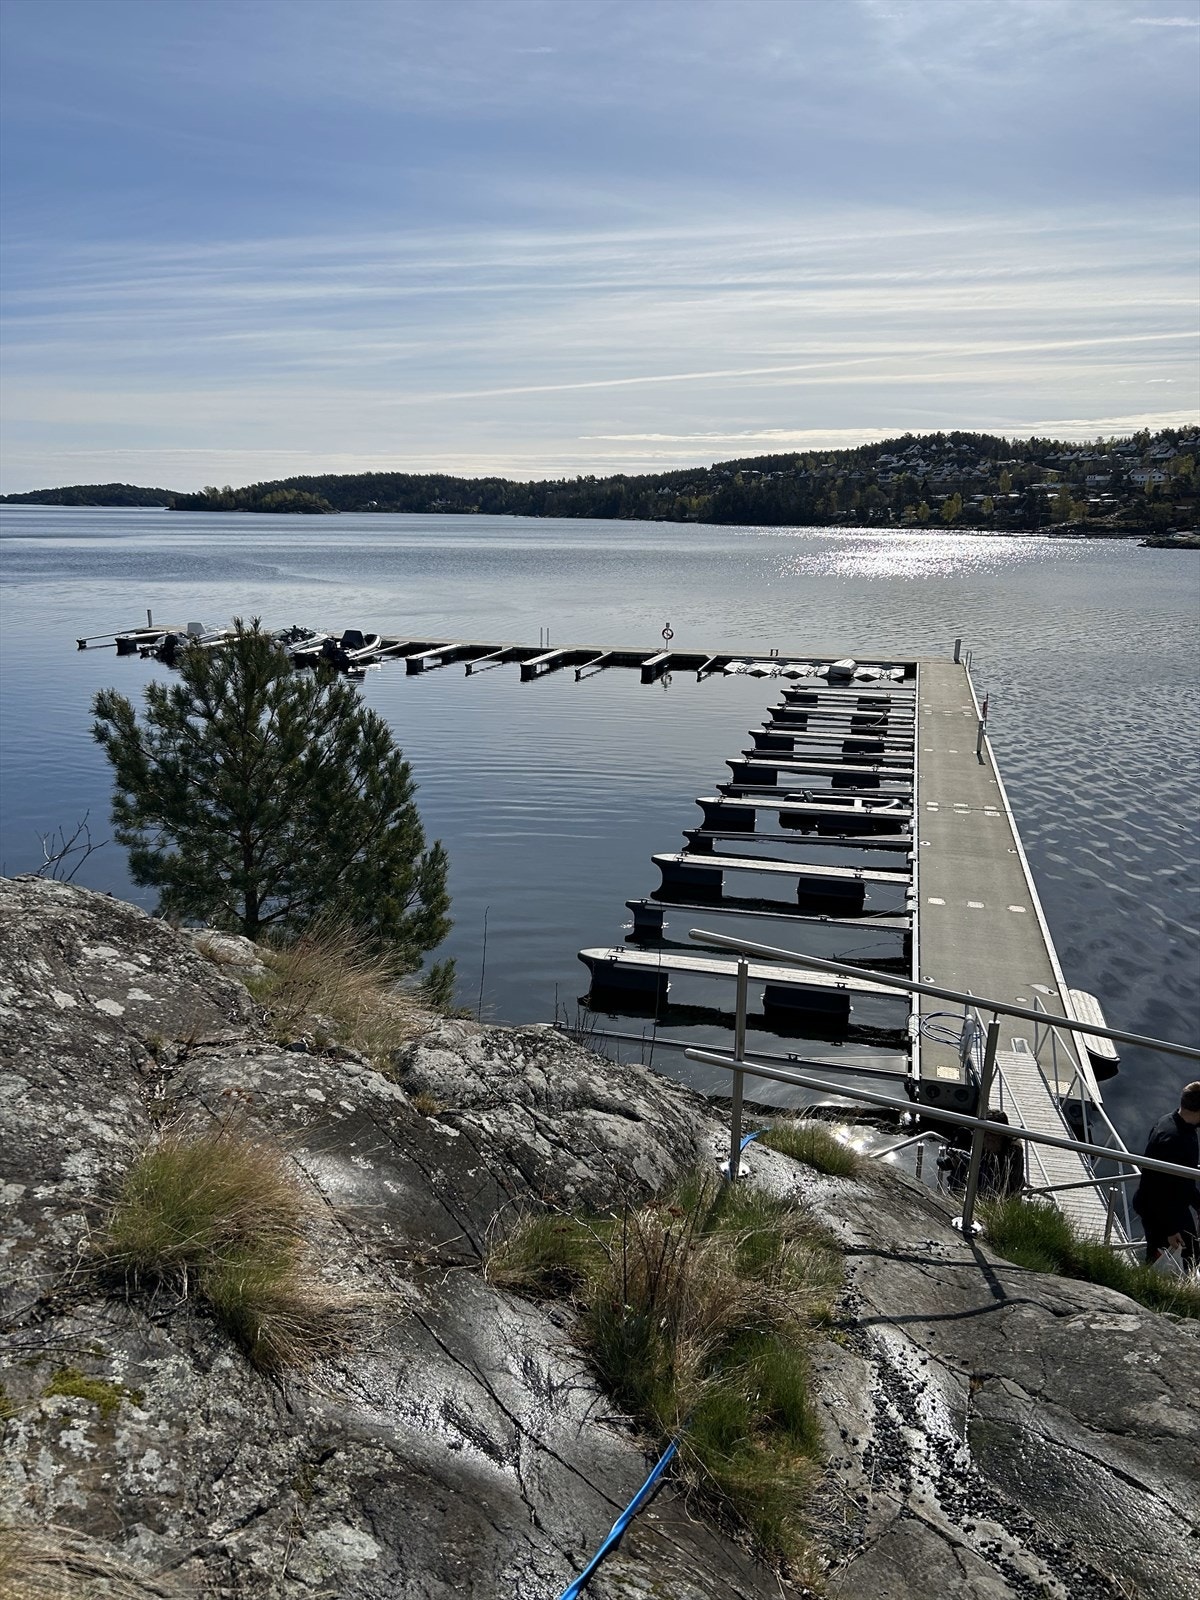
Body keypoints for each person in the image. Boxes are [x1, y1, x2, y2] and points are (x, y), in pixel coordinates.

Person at [1131, 1082, 1200, 1267]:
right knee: (1166, 1259)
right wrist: (1170, 1229)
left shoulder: (1173, 1122)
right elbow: (1156, 1187)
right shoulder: (1172, 1140)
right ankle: (1151, 1289)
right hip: (1160, 1211)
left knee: (1192, 1251)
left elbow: (1183, 1177)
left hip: (1172, 1204)